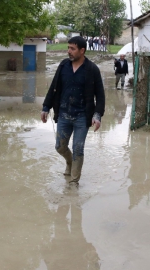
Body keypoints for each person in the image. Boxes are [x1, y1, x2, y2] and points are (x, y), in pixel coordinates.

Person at [41, 36, 105, 184]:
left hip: (82, 116)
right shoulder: (63, 65)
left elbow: (100, 95)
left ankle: (73, 182)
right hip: (63, 114)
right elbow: (54, 88)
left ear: (82, 50)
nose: (68, 51)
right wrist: (46, 107)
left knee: (78, 148)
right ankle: (69, 162)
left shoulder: (92, 69)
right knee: (59, 147)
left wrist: (97, 115)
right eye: (68, 48)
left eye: (72, 49)